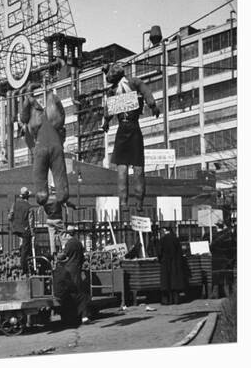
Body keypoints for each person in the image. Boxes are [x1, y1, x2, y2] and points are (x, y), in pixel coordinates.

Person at [101, 63, 161, 212]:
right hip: (135, 127)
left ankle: (123, 203)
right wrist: (153, 106)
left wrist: (106, 122)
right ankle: (139, 202)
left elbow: (108, 112)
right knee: (138, 166)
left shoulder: (112, 90)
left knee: (122, 167)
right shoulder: (134, 82)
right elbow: (147, 94)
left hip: (122, 128)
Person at [53, 229, 89, 326]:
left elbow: (64, 255)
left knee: (75, 291)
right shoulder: (79, 243)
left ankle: (80, 314)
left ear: (68, 234)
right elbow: (82, 257)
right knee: (79, 290)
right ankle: (82, 315)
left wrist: (58, 256)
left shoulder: (69, 244)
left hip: (69, 269)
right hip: (77, 268)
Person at [157, 226, 188, 305]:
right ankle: (176, 300)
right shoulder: (176, 239)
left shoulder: (163, 240)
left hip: (166, 263)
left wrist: (160, 259)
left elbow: (159, 252)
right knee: (175, 282)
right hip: (175, 263)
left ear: (165, 230)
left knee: (166, 282)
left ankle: (166, 301)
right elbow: (180, 252)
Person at [8, 187, 35, 274]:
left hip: (16, 228)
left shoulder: (15, 204)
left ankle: (19, 254)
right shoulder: (29, 207)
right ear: (28, 197)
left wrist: (14, 223)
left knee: (22, 244)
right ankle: (24, 268)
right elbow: (31, 222)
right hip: (25, 229)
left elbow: (10, 216)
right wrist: (33, 233)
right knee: (25, 249)